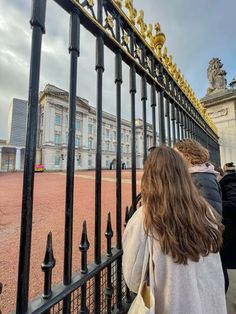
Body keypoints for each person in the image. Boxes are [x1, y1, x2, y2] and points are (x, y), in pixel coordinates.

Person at [123, 146, 226, 314]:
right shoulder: (206, 210)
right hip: (210, 305)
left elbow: (134, 279)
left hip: (173, 305)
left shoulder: (145, 217)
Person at [174, 139, 222, 215]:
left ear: (188, 155)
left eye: (176, 155)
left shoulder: (202, 178)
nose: (174, 159)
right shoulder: (198, 175)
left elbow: (213, 213)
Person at [219, 162, 236, 293]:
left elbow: (233, 204)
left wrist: (216, 203)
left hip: (230, 234)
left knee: (223, 266)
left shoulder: (229, 181)